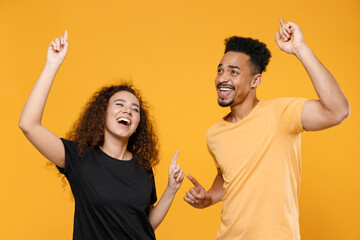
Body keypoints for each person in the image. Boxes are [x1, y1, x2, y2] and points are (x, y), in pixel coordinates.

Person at [184, 18, 350, 239]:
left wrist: (301, 49)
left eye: (233, 72)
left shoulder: (281, 113)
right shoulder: (214, 134)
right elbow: (227, 175)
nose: (222, 78)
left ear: (256, 81)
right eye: (220, 70)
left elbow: (338, 111)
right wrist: (211, 197)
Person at [19, 31, 184, 240]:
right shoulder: (79, 158)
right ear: (102, 114)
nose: (128, 111)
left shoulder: (143, 168)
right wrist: (52, 65)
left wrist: (171, 189)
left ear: (137, 125)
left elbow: (144, 225)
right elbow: (28, 125)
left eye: (135, 109)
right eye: (119, 104)